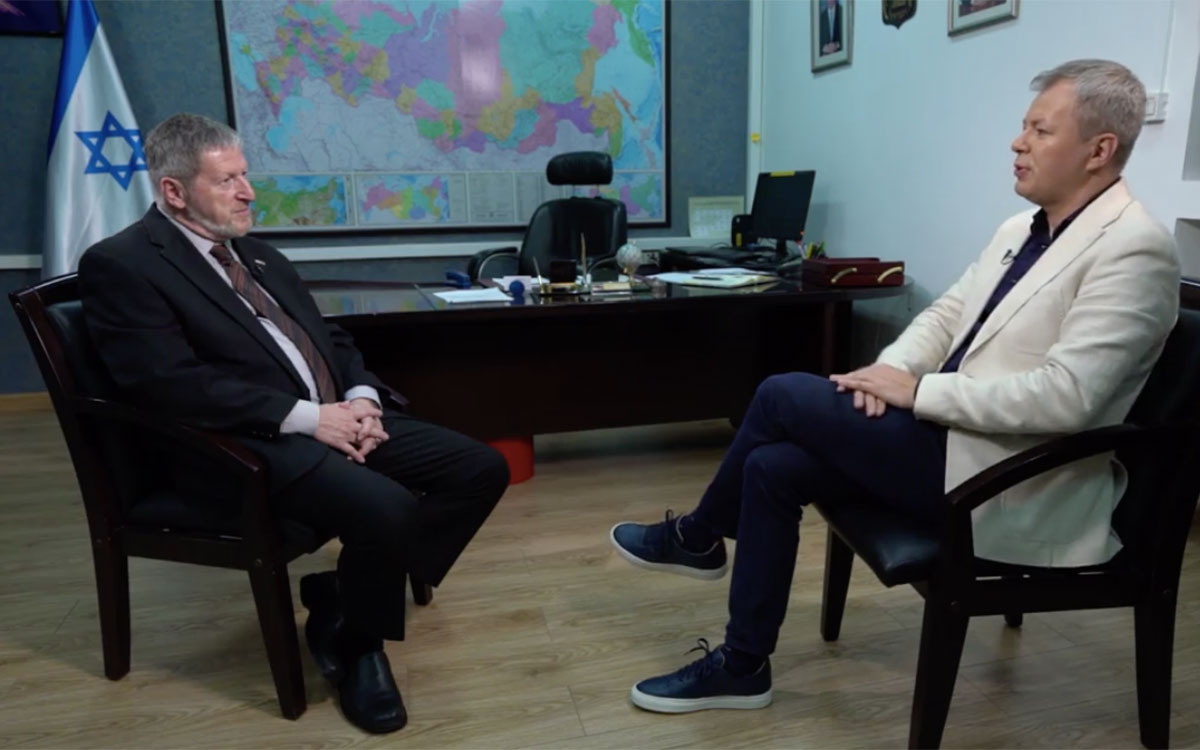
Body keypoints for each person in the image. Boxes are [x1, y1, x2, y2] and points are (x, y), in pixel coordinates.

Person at [609, 59, 1180, 714]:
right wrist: (888, 375)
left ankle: (697, 536)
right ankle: (743, 664)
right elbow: (944, 317)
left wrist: (919, 394)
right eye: (1023, 127)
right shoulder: (1020, 230)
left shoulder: (1135, 249)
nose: (1017, 143)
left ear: (1099, 151)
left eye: (1040, 131)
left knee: (780, 394)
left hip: (1010, 476)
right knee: (771, 466)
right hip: (949, 440)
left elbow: (1068, 397)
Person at [77, 113, 510, 734]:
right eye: (227, 181)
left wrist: (361, 400)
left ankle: (344, 602)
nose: (248, 192)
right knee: (388, 509)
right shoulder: (123, 264)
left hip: (331, 416)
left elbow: (328, 338)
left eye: (245, 175)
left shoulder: (257, 254)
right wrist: (309, 419)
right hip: (239, 446)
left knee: (479, 469)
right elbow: (165, 383)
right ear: (174, 191)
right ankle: (360, 647)